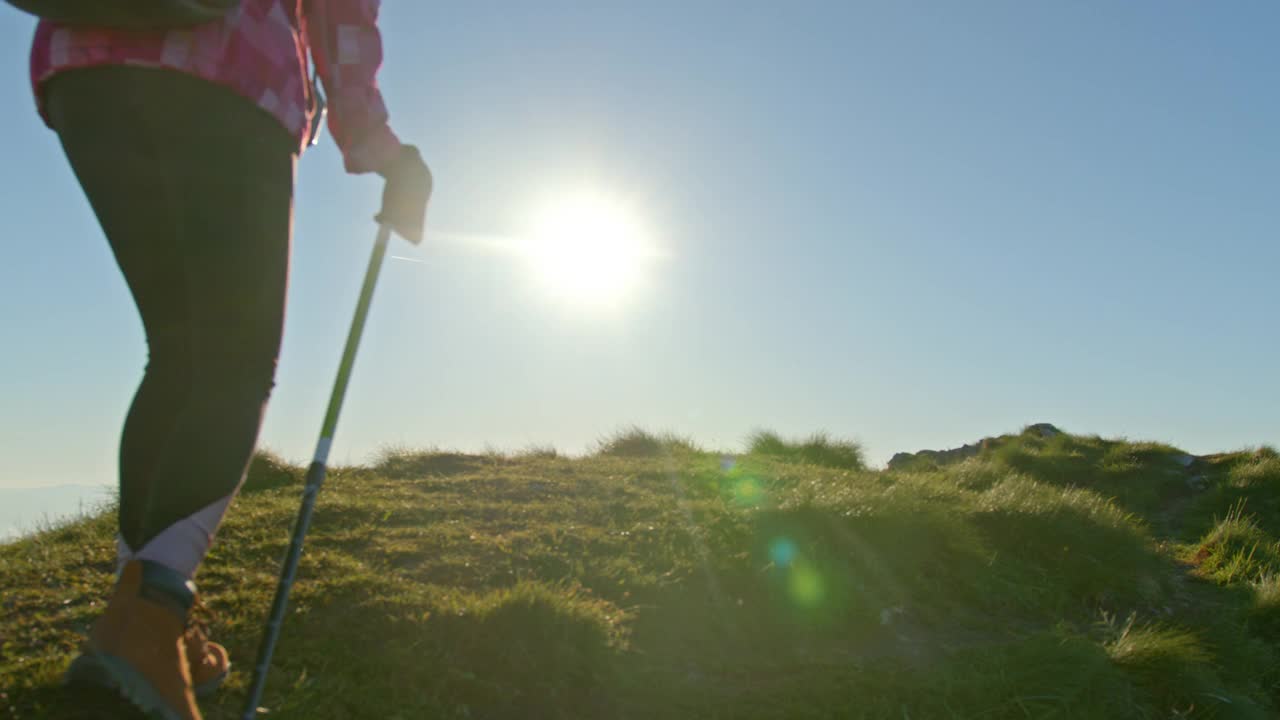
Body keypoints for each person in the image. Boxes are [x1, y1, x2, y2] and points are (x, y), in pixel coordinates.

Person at [26, 2, 431, 718]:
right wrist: (377, 144)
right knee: (235, 360)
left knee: (180, 355)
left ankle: (148, 621)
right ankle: (146, 628)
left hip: (84, 65)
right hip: (226, 68)